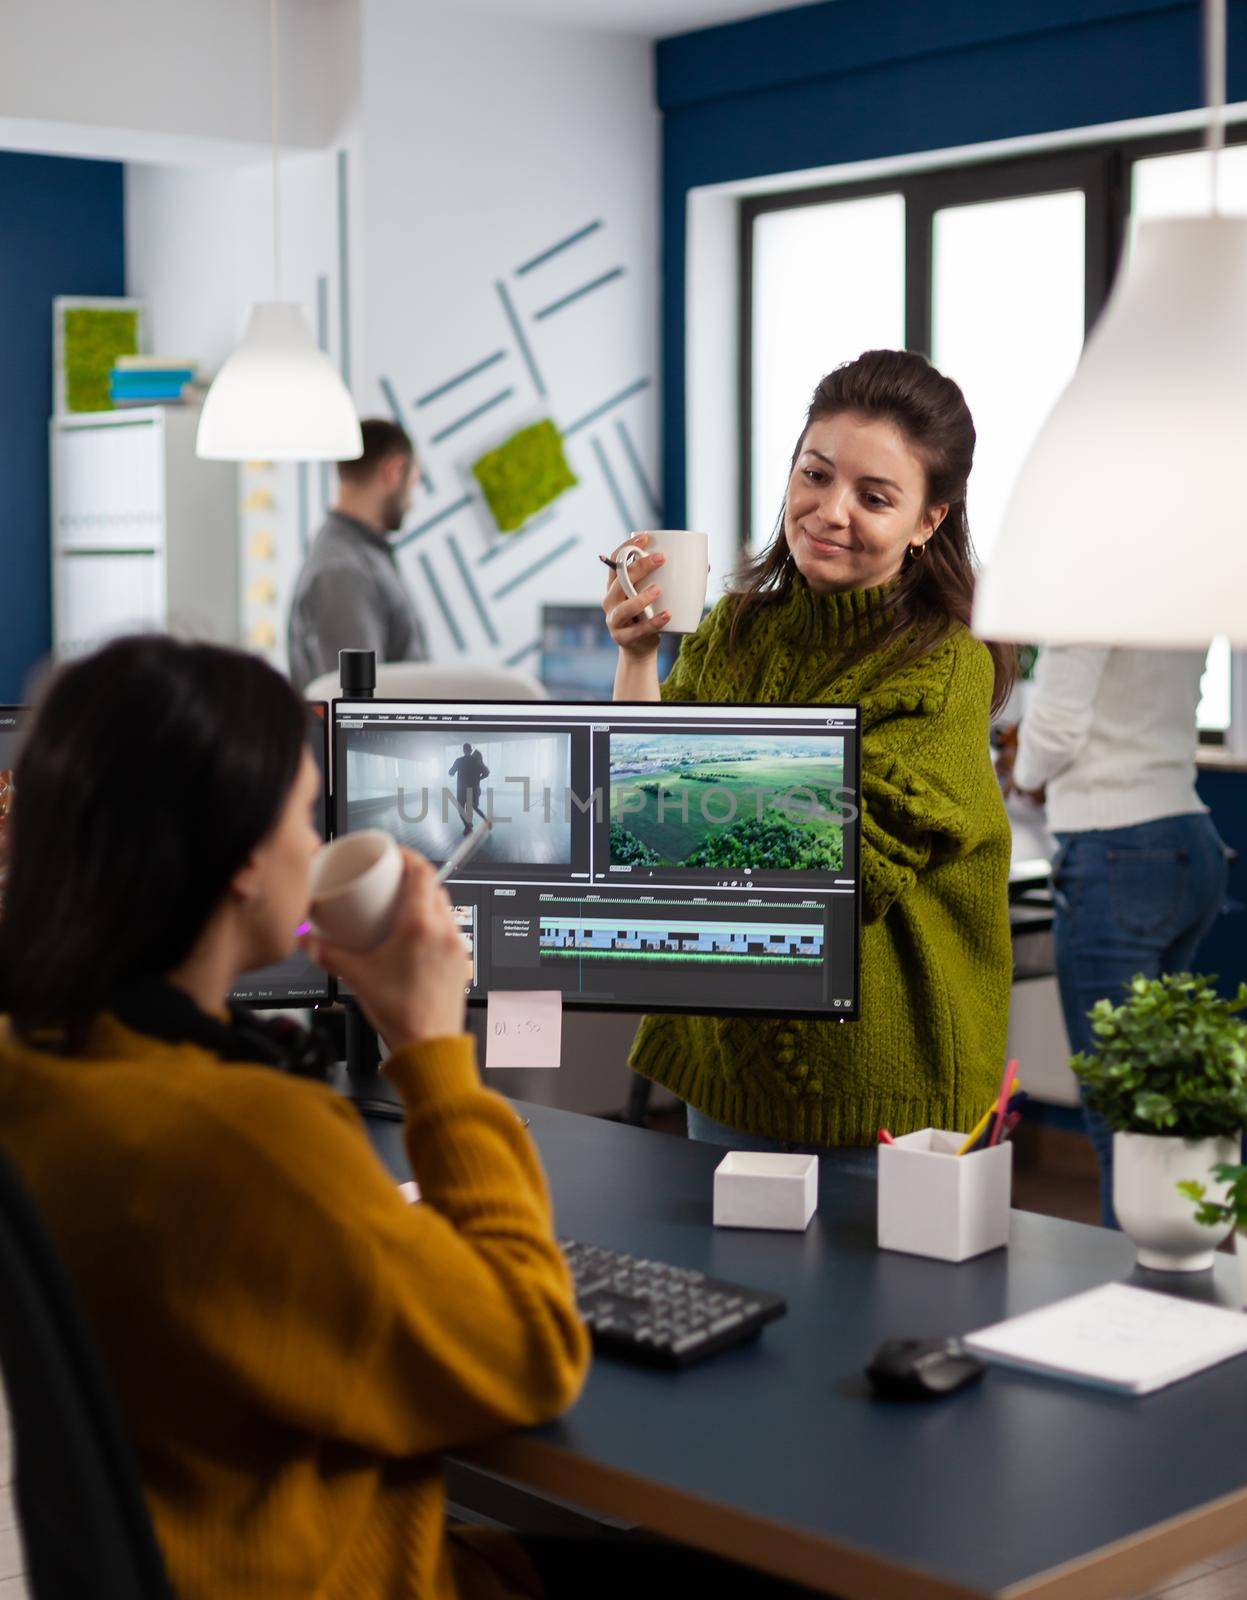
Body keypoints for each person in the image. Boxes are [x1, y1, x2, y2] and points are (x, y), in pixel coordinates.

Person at [0, 636, 828, 1600]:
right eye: (304, 816)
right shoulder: (247, 1136)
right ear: (237, 860)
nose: (318, 847)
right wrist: (430, 1044)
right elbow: (531, 1355)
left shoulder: (41, 1073)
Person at [602, 350, 1016, 1163]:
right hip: (723, 1058)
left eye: (873, 497)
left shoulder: (942, 666)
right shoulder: (733, 628)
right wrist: (640, 658)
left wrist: (683, 790)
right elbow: (630, 814)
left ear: (927, 521)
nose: (829, 512)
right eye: (814, 475)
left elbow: (839, 868)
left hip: (881, 1088)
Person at [1005, 645, 1228, 1227]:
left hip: (1116, 846)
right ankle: (1168, 1280)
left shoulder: (1085, 589)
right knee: (1155, 1109)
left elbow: (1055, 727)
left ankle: (1129, 1304)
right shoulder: (1166, 585)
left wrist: (1023, 778)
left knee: (1123, 1122)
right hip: (1191, 837)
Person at [287, 417, 428, 692]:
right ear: (394, 471)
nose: (411, 502)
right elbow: (357, 712)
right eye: (414, 481)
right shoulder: (343, 570)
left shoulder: (358, 555)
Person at [449, 740, 490, 833]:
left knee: (461, 809)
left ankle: (468, 825)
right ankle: (472, 824)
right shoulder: (476, 761)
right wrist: (478, 779)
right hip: (474, 789)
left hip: (461, 789)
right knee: (472, 808)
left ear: (463, 750)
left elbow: (451, 773)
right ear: (471, 750)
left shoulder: (459, 761)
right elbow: (486, 773)